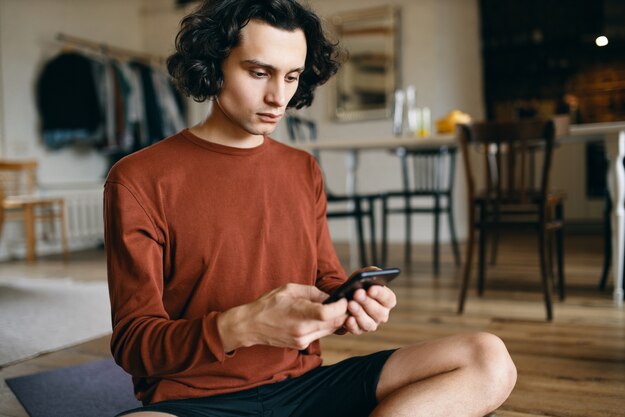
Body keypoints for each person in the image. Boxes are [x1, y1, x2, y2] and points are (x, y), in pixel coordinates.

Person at [104, 1, 517, 416]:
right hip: (195, 403)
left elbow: (327, 279)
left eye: (292, 77)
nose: (278, 97)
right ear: (214, 64)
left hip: (306, 391)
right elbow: (135, 345)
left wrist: (354, 303)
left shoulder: (303, 169)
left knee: (488, 358)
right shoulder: (139, 178)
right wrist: (241, 325)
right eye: (259, 72)